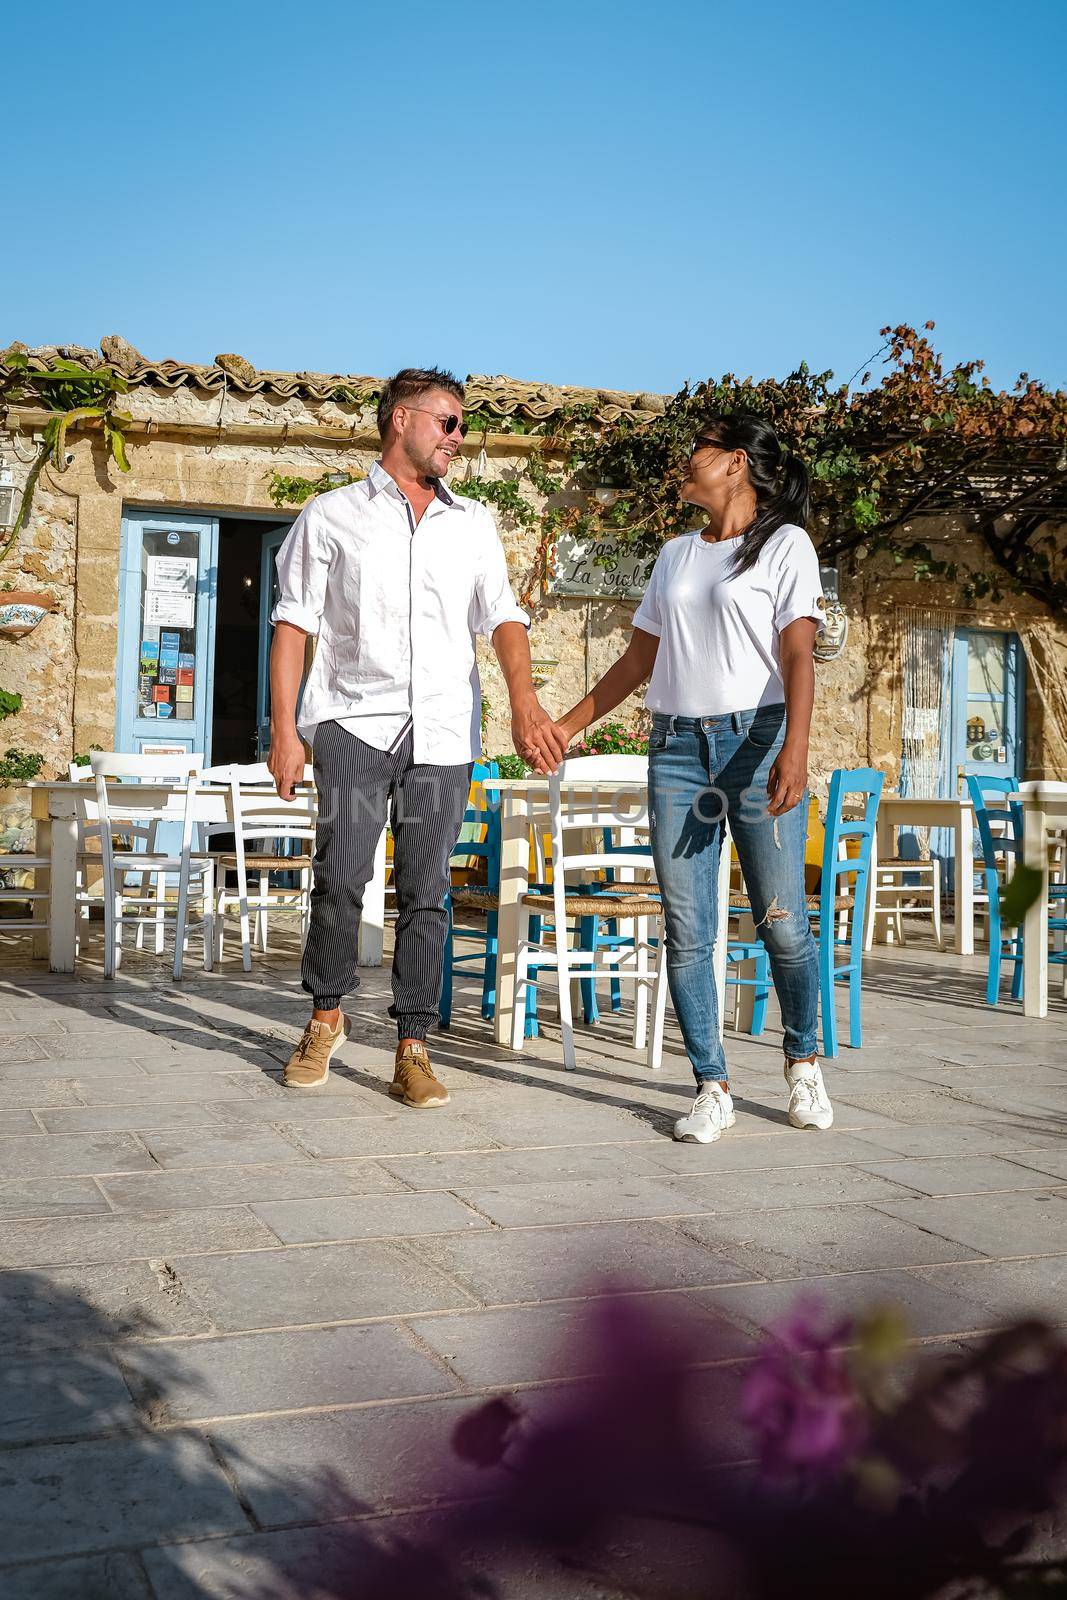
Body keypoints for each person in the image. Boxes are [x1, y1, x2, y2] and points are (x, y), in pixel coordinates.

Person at [268, 367, 566, 1104]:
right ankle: (326, 1017)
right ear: (400, 419)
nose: (457, 438)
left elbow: (502, 619)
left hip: (441, 730)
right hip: (352, 723)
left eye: (461, 425)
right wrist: (284, 731)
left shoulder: (472, 524)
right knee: (341, 878)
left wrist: (524, 704)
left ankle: (412, 1044)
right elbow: (293, 624)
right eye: (447, 421)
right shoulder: (332, 515)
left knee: (427, 891)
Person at [555, 412, 830, 1145]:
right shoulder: (675, 555)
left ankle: (802, 1060)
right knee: (687, 927)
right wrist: (567, 725)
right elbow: (638, 661)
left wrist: (794, 749)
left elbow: (798, 655)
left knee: (781, 921)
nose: (684, 463)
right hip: (675, 746)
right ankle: (711, 1085)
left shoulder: (783, 545)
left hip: (758, 737)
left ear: (734, 462)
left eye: (697, 453)